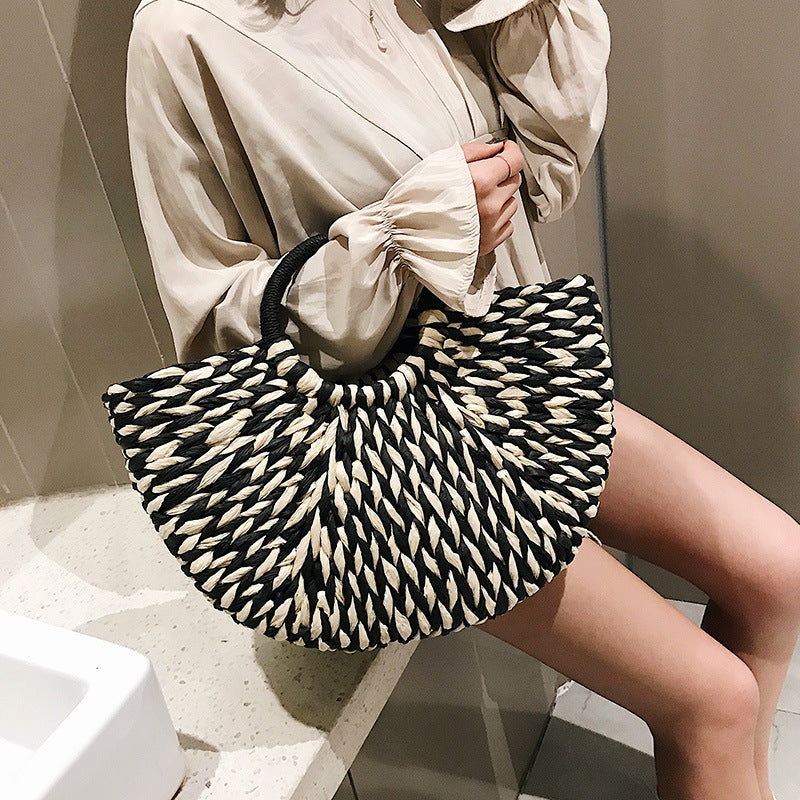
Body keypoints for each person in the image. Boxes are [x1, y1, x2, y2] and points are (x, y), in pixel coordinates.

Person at [124, 0, 800, 796]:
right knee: (715, 704)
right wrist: (395, 242)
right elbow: (213, 330)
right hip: (391, 447)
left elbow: (544, 179)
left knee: (779, 573)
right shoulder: (182, 35)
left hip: (516, 374)